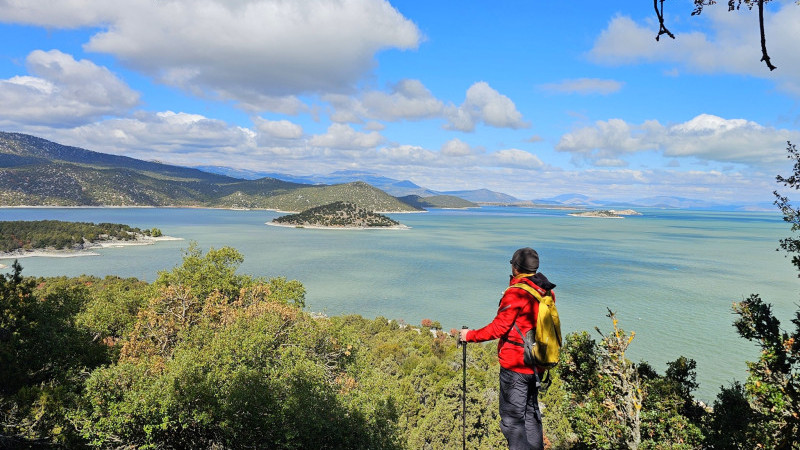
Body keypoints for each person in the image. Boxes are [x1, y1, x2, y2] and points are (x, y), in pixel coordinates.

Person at [459, 247, 556, 450]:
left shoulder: (517, 293)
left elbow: (499, 328)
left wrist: (470, 336)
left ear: (515, 268)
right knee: (531, 414)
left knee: (512, 422)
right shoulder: (545, 290)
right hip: (537, 363)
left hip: (516, 366)